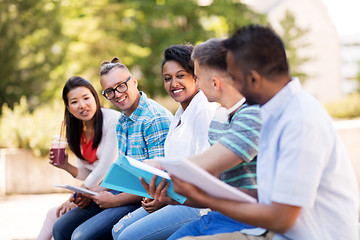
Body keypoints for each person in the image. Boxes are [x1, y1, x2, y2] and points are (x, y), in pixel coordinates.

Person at [169, 25, 359, 240]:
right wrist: (192, 195)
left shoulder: (300, 121)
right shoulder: (274, 111)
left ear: (253, 79)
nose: (229, 84)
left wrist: (206, 199)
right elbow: (264, 196)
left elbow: (281, 219)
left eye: (233, 77)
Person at [52, 58, 172, 240]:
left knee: (81, 236)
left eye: (121, 86)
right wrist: (94, 191)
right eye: (109, 91)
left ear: (133, 82)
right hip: (122, 190)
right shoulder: (123, 120)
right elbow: (122, 171)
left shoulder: (153, 119)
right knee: (61, 227)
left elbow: (157, 183)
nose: (116, 94)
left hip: (142, 198)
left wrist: (115, 199)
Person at [112, 44, 218, 240]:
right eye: (167, 79)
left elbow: (206, 174)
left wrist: (167, 198)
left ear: (195, 76)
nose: (173, 83)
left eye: (180, 76)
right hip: (173, 196)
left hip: (196, 203)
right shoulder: (179, 114)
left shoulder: (204, 110)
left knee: (128, 237)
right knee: (117, 230)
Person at [37, 76, 121, 240]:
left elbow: (104, 169)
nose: (82, 105)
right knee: (54, 216)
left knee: (65, 226)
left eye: (86, 98)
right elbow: (87, 172)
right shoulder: (77, 130)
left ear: (95, 98)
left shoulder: (113, 120)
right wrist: (65, 165)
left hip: (113, 190)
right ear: (68, 108)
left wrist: (75, 197)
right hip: (95, 191)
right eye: (74, 102)